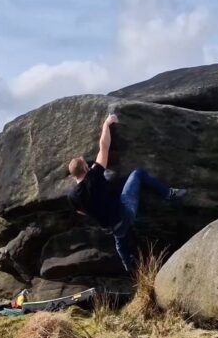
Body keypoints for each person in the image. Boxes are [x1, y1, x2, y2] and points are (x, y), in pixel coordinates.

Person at [67, 113, 187, 272]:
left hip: (112, 226)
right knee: (138, 173)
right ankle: (170, 194)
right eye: (85, 163)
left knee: (120, 239)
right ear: (85, 168)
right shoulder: (94, 175)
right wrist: (106, 124)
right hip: (125, 211)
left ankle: (127, 264)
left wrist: (94, 208)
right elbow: (104, 147)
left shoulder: (73, 197)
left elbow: (81, 212)